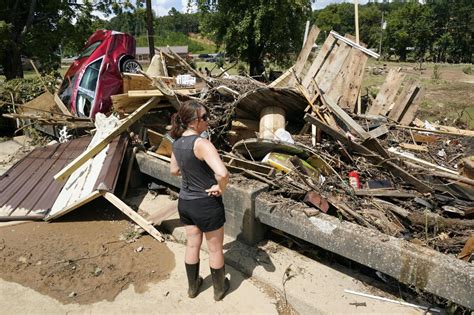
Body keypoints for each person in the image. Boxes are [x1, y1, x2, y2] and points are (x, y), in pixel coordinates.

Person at [169, 100, 230, 301]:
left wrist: (191, 172)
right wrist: (219, 188)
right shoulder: (202, 144)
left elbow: (174, 170)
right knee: (214, 248)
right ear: (192, 122)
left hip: (186, 202)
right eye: (204, 117)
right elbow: (222, 173)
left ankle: (193, 288)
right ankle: (219, 290)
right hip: (206, 203)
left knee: (192, 245)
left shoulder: (176, 143)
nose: (207, 120)